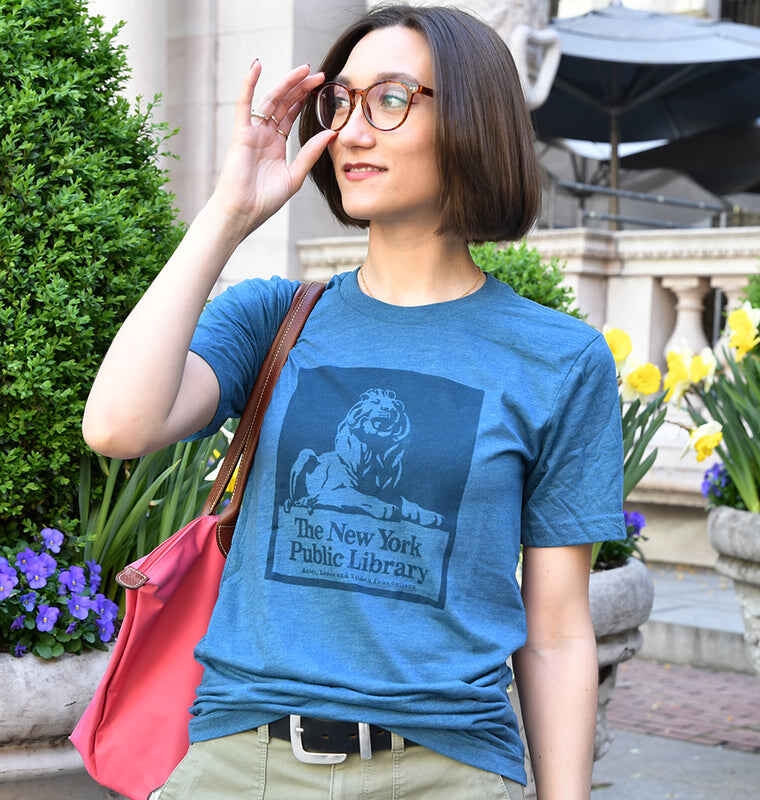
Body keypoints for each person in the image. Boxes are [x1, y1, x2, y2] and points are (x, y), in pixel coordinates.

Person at [83, 4, 626, 799]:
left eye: (392, 99)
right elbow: (118, 426)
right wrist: (230, 210)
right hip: (243, 761)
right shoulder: (275, 316)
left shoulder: (557, 358)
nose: (354, 131)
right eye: (340, 102)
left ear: (471, 120)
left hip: (449, 768)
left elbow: (555, 632)